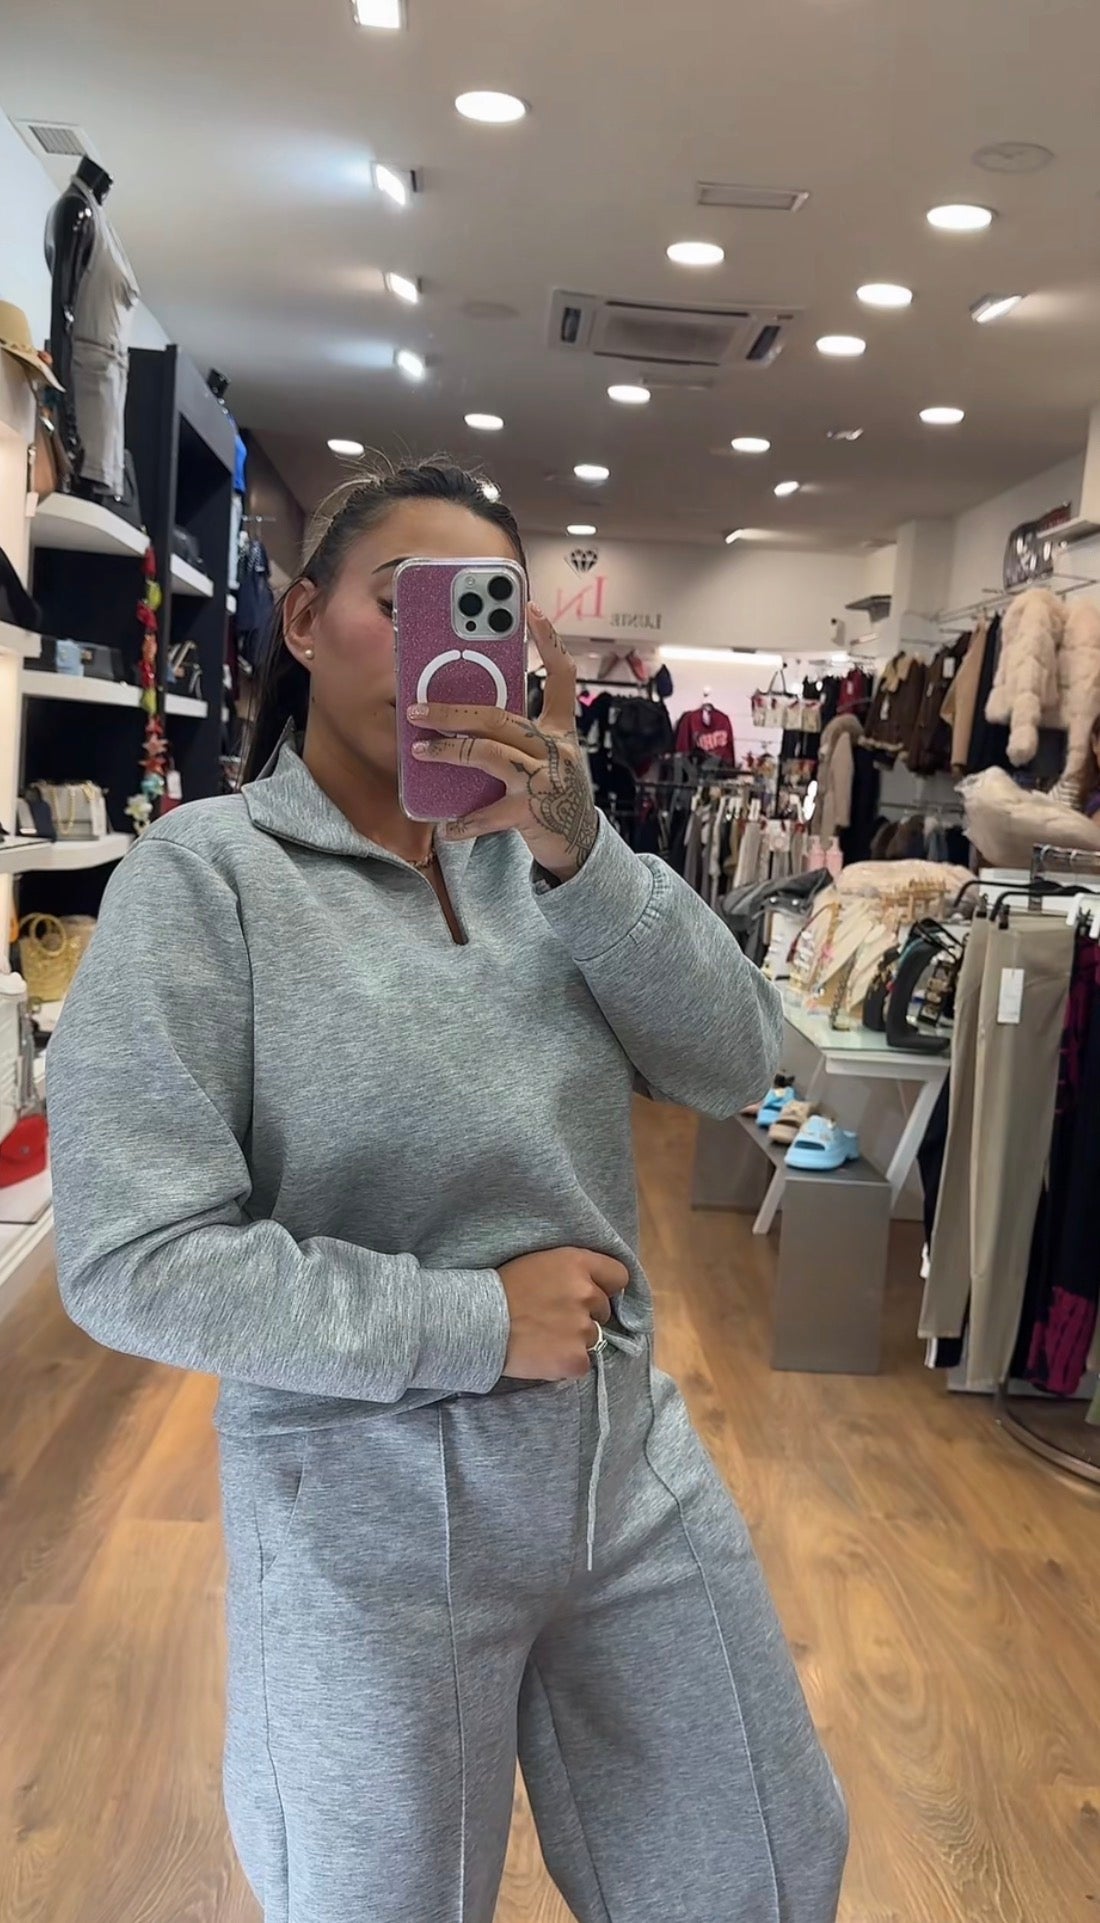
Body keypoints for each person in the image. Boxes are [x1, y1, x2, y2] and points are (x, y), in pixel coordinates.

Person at [47, 459, 848, 1923]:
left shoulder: (558, 869)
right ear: (303, 621)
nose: (446, 641)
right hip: (358, 1519)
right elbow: (129, 1256)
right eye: (404, 598)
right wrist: (474, 1323)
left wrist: (582, 848)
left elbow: (736, 1064)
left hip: (619, 1472)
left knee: (763, 1867)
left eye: (485, 609)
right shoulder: (206, 878)